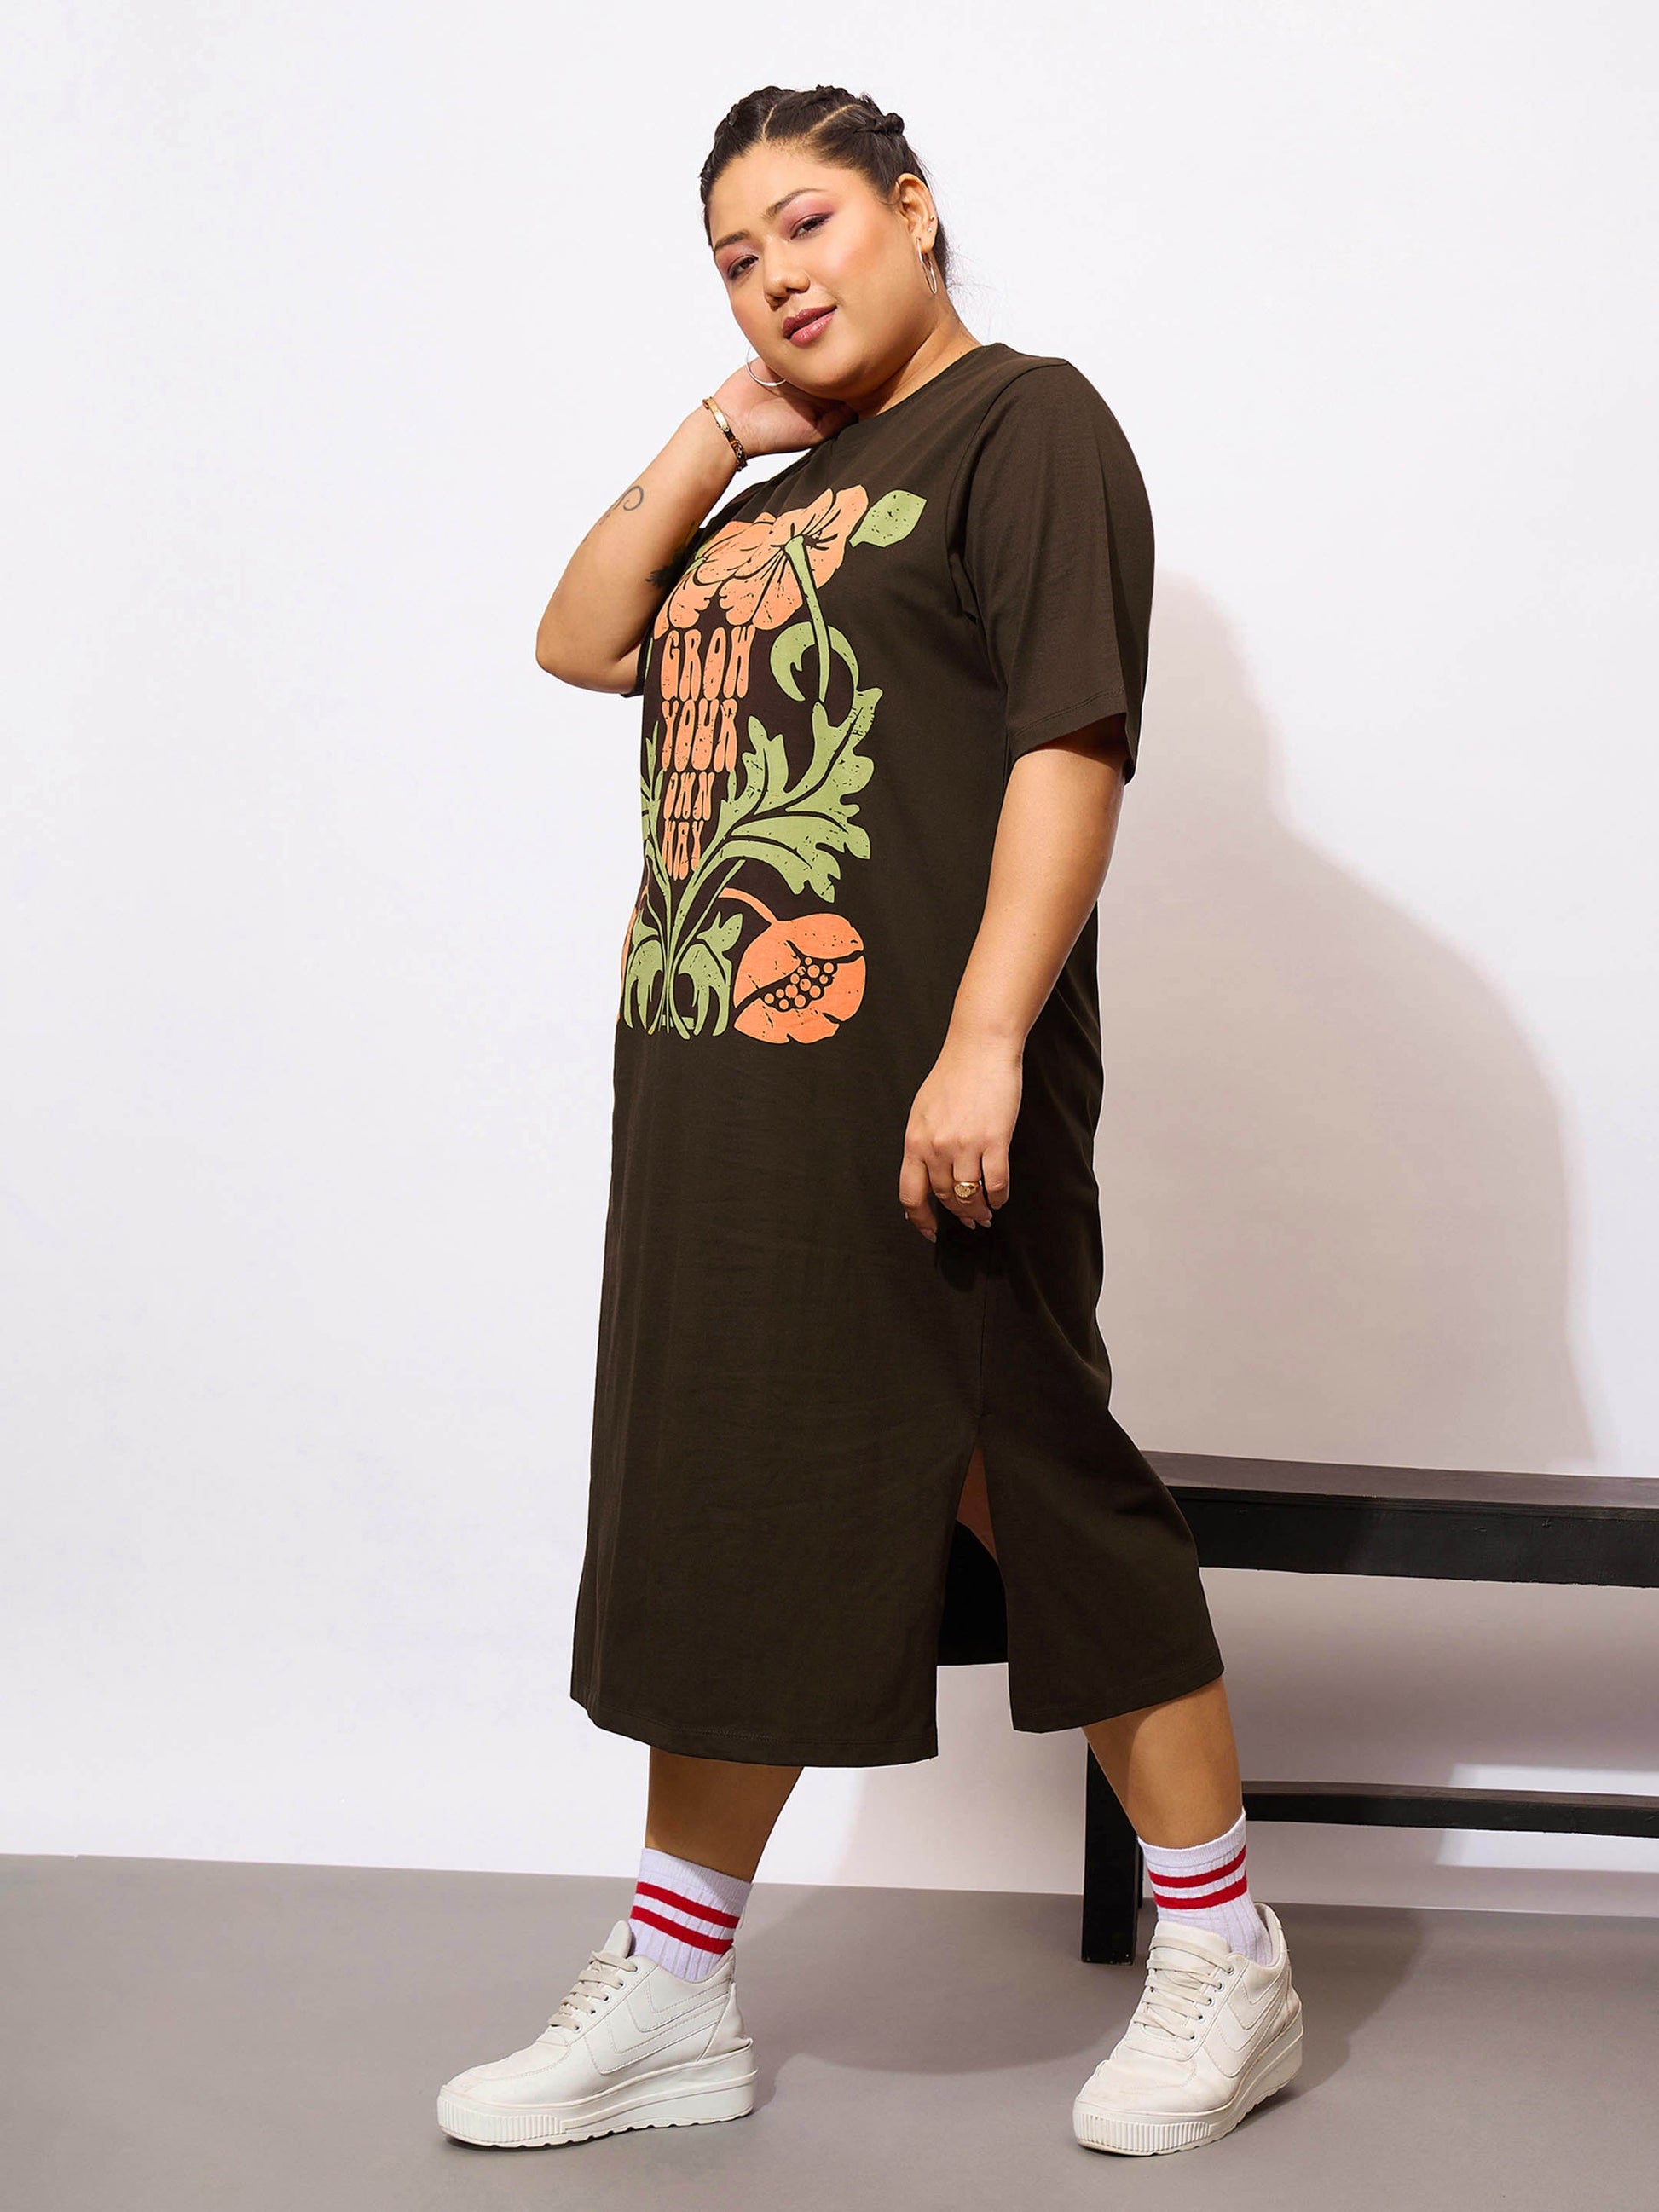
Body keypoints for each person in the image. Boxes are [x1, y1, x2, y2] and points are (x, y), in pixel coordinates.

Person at [436, 82, 1304, 2159]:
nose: (776, 276)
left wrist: (987, 1035)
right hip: (720, 1084)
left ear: (915, 211)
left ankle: (1224, 1952)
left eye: (808, 222)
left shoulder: (1026, 426)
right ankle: (672, 1988)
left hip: (920, 1077)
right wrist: (716, 432)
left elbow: (1071, 736)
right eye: (736, 258)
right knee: (726, 1499)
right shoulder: (776, 488)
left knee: (1029, 1474)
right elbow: (578, 637)